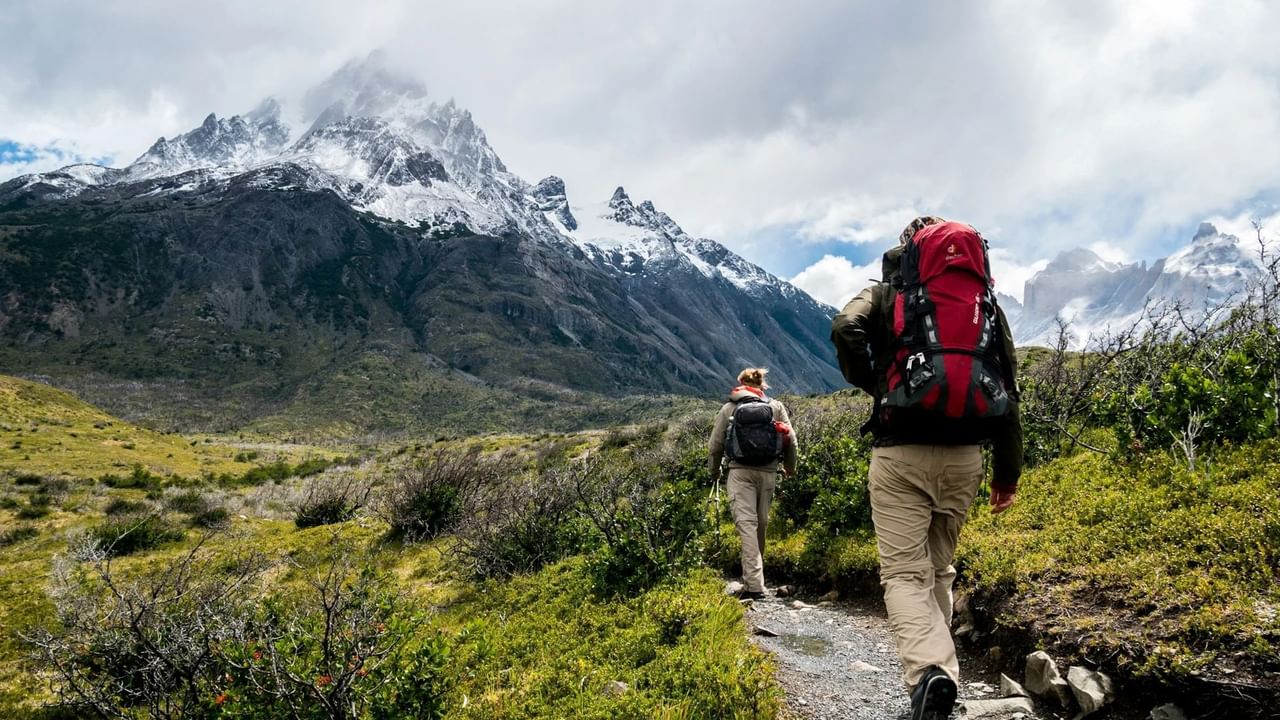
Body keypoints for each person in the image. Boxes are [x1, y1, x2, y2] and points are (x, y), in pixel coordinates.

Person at [831, 216, 1023, 720]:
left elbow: (844, 328)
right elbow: (1007, 384)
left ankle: (930, 674)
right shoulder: (984, 303)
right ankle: (945, 684)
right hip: (966, 457)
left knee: (903, 574)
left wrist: (879, 383)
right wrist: (1008, 474)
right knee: (940, 567)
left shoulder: (889, 292)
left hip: (901, 453)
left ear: (909, 249)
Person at [708, 367, 798, 601]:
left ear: (740, 384)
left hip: (740, 473)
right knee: (761, 524)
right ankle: (756, 578)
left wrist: (715, 471)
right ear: (762, 385)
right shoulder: (775, 407)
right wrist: (790, 468)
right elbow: (791, 439)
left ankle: (755, 585)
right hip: (768, 473)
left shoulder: (729, 408)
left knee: (746, 524)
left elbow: (715, 445)